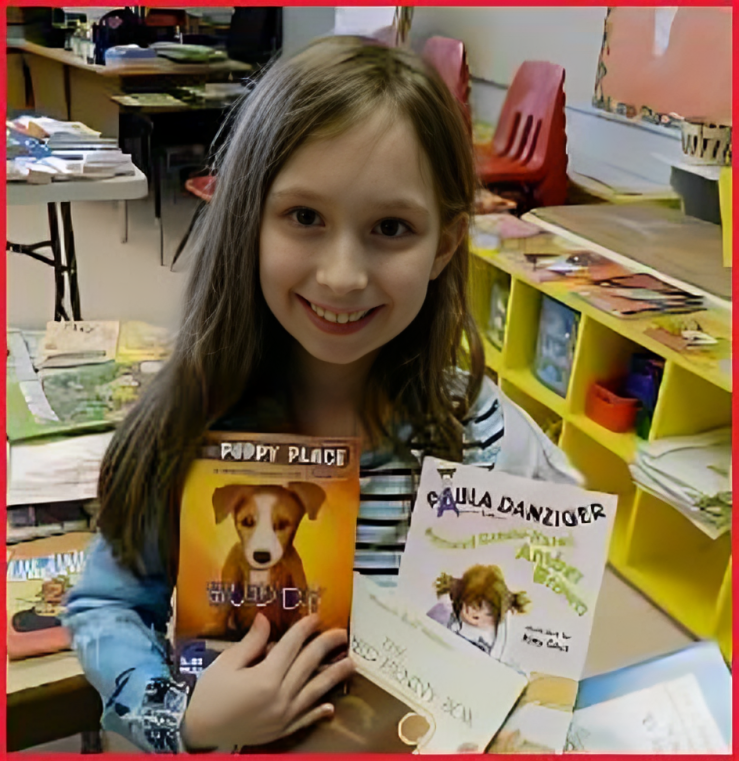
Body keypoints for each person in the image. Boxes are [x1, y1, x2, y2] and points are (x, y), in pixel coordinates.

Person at [63, 36, 580, 753]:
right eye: (304, 217)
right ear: (248, 217)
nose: (341, 275)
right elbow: (106, 603)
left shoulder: (486, 436)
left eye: (390, 228)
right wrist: (184, 715)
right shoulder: (189, 421)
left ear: (444, 244)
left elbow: (543, 622)